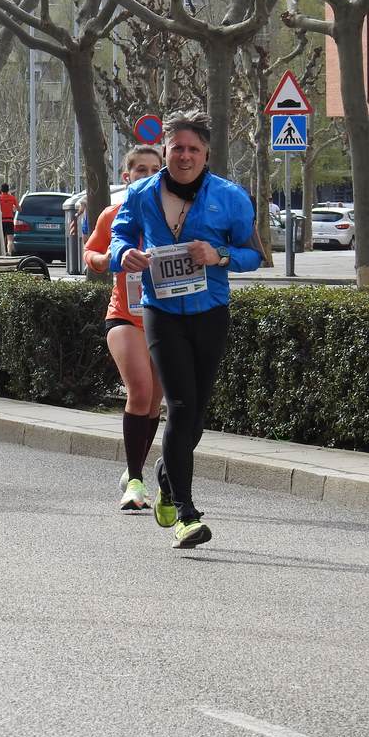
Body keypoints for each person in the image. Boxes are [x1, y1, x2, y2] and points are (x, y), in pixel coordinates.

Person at [110, 110, 262, 549]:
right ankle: (186, 514)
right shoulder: (140, 193)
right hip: (161, 311)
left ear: (207, 153)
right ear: (164, 150)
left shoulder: (230, 197)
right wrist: (126, 255)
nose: (185, 155)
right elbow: (119, 237)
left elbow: (253, 255)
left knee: (195, 416)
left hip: (211, 311)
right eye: (177, 147)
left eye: (194, 148)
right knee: (178, 404)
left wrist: (217, 255)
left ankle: (165, 477)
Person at [83, 146, 164, 511]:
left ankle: (135, 469)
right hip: (126, 316)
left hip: (166, 318)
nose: (147, 176)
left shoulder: (176, 217)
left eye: (154, 169)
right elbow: (92, 254)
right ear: (127, 175)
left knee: (155, 403)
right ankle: (134, 483)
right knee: (141, 391)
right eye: (140, 170)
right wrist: (110, 259)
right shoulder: (114, 214)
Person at [0, 183, 18, 249]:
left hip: (1, 221)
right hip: (10, 220)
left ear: (1, 190)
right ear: (8, 189)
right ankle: (9, 253)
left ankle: (2, 253)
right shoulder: (12, 198)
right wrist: (13, 208)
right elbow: (19, 209)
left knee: (2, 240)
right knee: (10, 240)